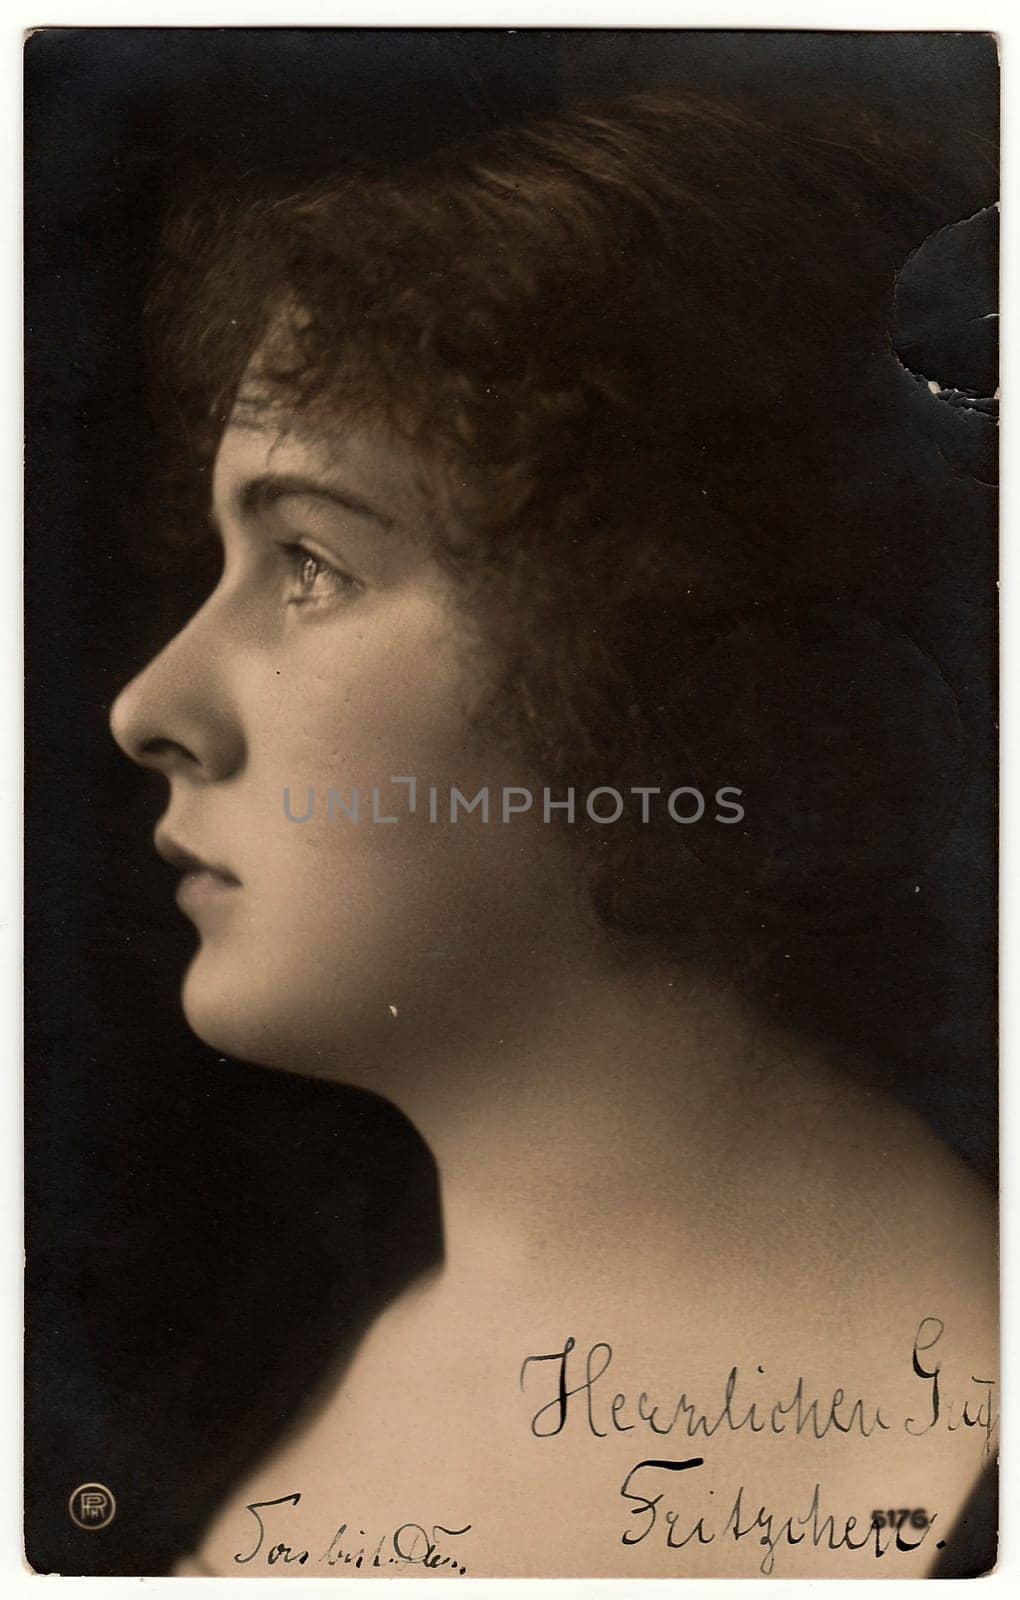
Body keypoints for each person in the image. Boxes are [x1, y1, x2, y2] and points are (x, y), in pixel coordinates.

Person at [109, 91, 997, 1577]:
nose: (150, 706)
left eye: (310, 559)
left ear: (644, 641)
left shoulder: (967, 1445)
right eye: (229, 560)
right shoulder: (221, 1359)